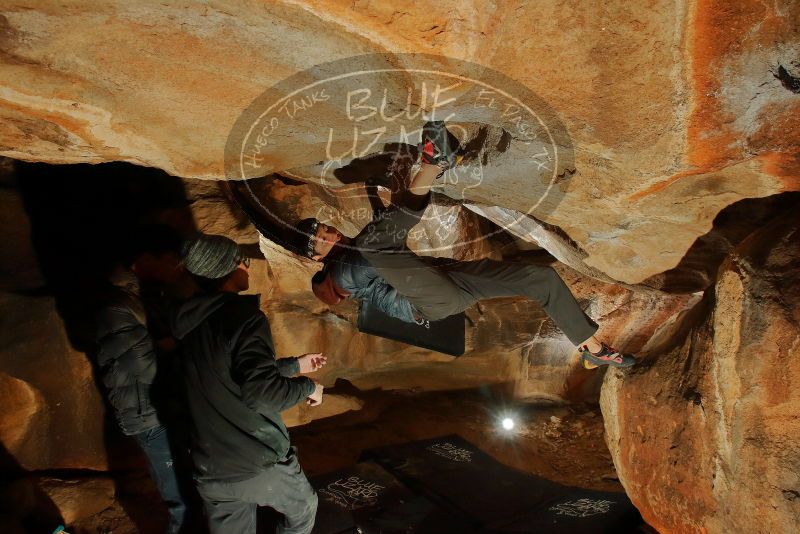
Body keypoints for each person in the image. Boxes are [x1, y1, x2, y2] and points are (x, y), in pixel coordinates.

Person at [297, 121, 635, 368]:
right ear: (316, 256)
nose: (326, 234)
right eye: (318, 240)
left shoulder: (359, 247)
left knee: (540, 279)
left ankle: (591, 346)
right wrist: (394, 182)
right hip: (428, 302)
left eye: (322, 228)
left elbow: (386, 231)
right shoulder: (341, 274)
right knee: (375, 244)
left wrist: (384, 188)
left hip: (449, 280)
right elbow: (377, 246)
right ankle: (435, 162)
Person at [171, 233, 325, 534]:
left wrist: (294, 365)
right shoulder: (244, 318)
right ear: (227, 270)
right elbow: (262, 395)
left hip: (210, 468)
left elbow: (229, 375)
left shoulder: (188, 324)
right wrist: (309, 386)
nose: (247, 266)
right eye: (241, 261)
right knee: (304, 509)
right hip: (255, 464)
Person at [94, 224, 191, 534]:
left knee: (187, 492)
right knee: (181, 500)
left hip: (161, 407)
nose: (179, 266)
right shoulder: (117, 306)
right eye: (173, 259)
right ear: (147, 258)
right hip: (147, 415)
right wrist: (171, 346)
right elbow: (146, 366)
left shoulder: (144, 297)